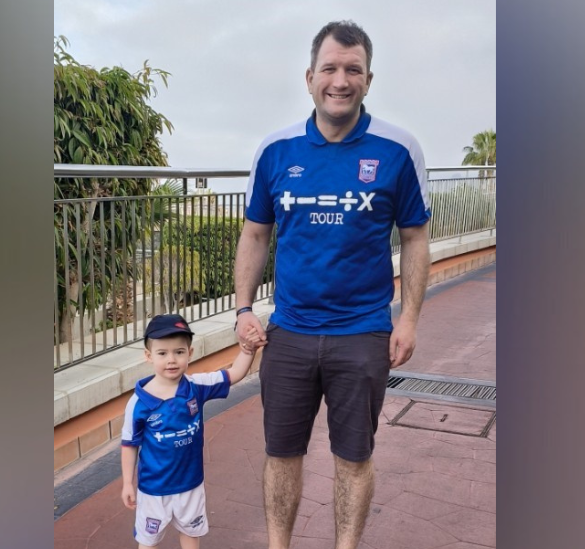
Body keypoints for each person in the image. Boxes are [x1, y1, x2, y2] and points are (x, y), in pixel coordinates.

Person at [233, 20, 431, 549]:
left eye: (353, 70)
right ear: (309, 77)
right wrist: (242, 309)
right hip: (288, 334)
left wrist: (408, 319)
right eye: (330, 68)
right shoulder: (275, 151)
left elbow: (414, 238)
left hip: (363, 334)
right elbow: (255, 234)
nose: (340, 80)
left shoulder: (397, 150)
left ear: (369, 79)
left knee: (355, 457)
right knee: (281, 454)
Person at [121, 313, 265, 549]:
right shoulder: (138, 403)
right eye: (162, 353)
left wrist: (248, 350)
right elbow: (129, 444)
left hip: (191, 485)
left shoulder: (197, 386)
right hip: (153, 490)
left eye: (179, 352)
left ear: (190, 353)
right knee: (147, 541)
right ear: (148, 356)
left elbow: (234, 374)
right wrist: (128, 483)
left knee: (191, 535)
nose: (171, 360)